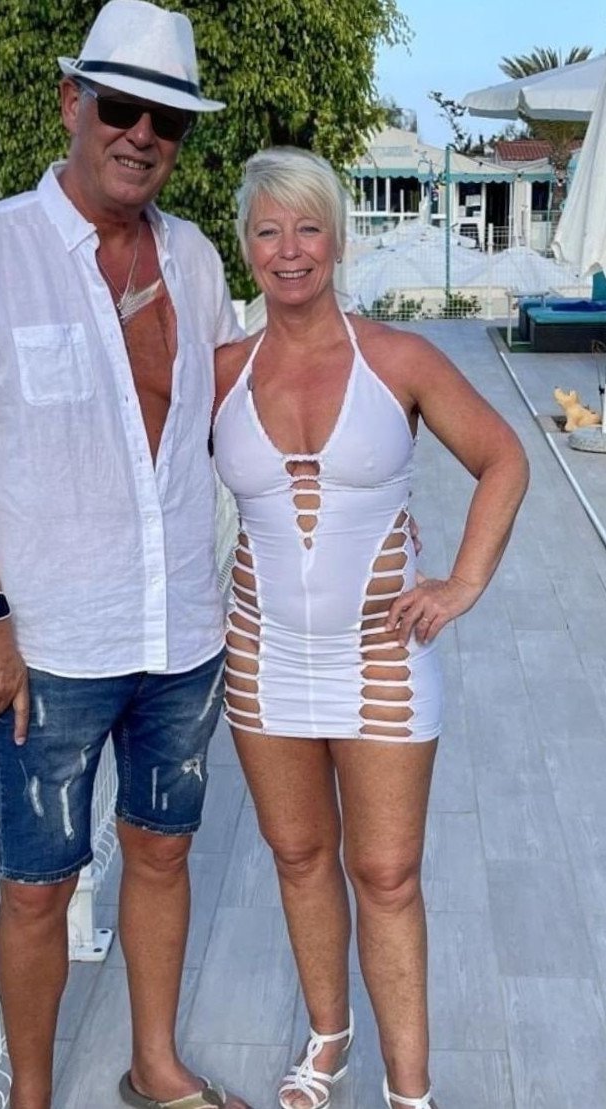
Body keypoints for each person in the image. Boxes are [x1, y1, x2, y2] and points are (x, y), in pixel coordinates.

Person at [0, 3, 249, 1108]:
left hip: (181, 634)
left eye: (166, 120)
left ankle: (154, 1065)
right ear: (72, 104)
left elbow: (238, 414)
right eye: (122, 107)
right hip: (48, 647)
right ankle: (31, 1096)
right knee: (39, 886)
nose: (142, 134)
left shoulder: (194, 259)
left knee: (162, 852)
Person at [212, 148, 529, 1109]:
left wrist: (462, 582)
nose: (290, 249)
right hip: (263, 655)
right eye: (268, 230)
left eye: (308, 227)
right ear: (246, 246)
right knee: (299, 856)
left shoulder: (398, 359)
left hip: (382, 654)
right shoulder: (222, 372)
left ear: (339, 239)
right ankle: (328, 1039)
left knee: (386, 872)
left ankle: (411, 1091)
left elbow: (505, 458)